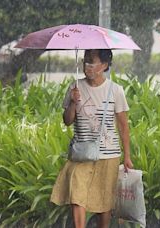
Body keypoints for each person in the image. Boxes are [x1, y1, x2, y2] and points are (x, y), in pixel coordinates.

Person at [51, 49, 133, 228]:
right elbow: (67, 121)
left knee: (104, 203)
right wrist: (73, 102)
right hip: (81, 153)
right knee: (77, 196)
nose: (87, 65)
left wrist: (127, 157)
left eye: (91, 61)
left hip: (108, 155)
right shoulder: (75, 87)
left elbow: (123, 126)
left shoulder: (115, 90)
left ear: (104, 65)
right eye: (85, 61)